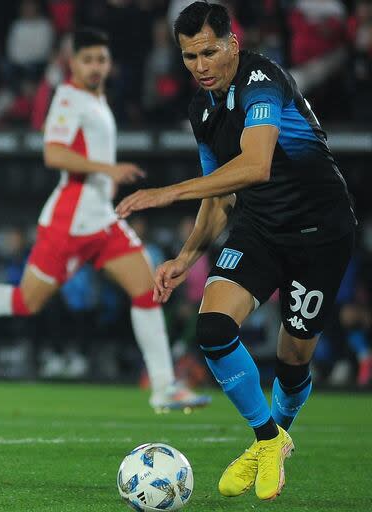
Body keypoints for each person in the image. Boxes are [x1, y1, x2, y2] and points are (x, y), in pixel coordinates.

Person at [116, 2, 356, 501]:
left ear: (233, 43)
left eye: (209, 51)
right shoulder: (201, 109)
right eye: (189, 57)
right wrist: (186, 257)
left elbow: (256, 165)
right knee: (213, 326)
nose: (200, 66)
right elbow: (218, 192)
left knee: (293, 362)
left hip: (320, 232)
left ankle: (275, 437)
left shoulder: (262, 80)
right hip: (261, 228)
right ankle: (267, 440)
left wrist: (166, 193)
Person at [0, 28, 210, 411]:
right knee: (26, 301)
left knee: (147, 288)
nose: (95, 67)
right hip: (70, 221)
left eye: (101, 60)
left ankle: (163, 386)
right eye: (87, 60)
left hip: (101, 219)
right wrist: (108, 168)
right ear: (72, 62)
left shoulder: (96, 98)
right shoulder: (69, 100)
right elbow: (54, 154)